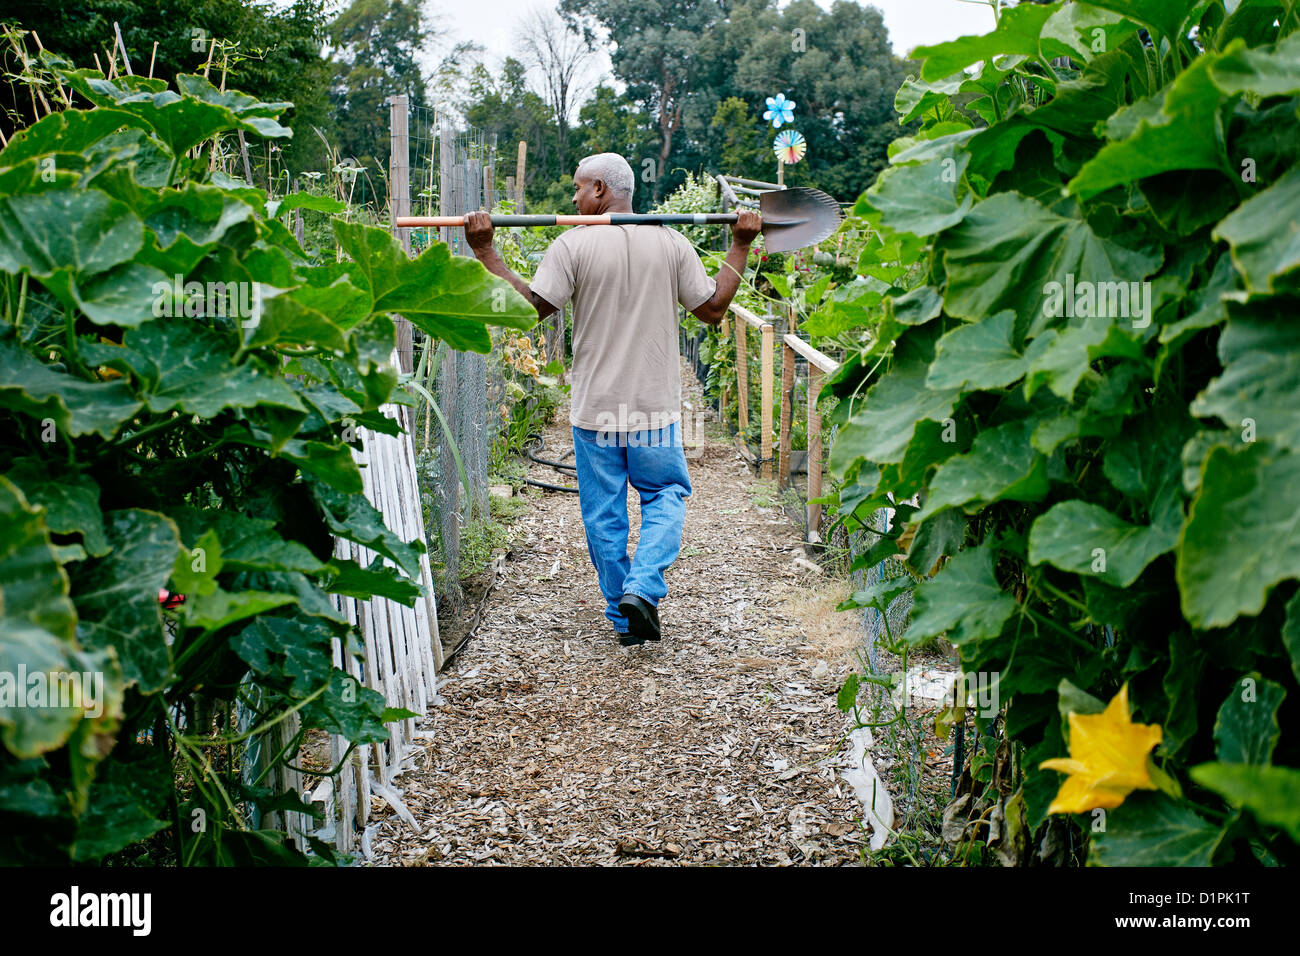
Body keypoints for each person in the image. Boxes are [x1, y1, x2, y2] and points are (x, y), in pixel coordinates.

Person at [465, 152, 761, 646]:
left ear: (600, 189)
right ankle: (642, 590)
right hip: (652, 409)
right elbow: (712, 310)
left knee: (604, 513)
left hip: (596, 409)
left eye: (578, 188)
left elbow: (529, 311)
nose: (573, 198)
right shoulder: (670, 240)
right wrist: (740, 243)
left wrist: (486, 252)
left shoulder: (572, 245)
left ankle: (624, 617)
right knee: (665, 496)